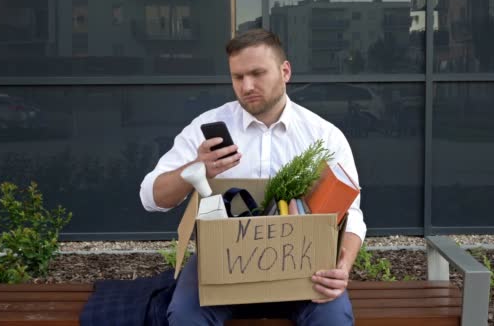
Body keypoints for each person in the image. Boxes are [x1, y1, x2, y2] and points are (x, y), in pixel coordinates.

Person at [140, 28, 367, 325]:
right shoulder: (207, 126)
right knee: (184, 315)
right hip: (221, 263)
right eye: (238, 77)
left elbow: (351, 213)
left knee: (333, 318)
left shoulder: (323, 136)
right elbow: (150, 197)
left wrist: (343, 267)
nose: (247, 86)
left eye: (257, 73)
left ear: (285, 71)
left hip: (303, 266)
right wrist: (194, 169)